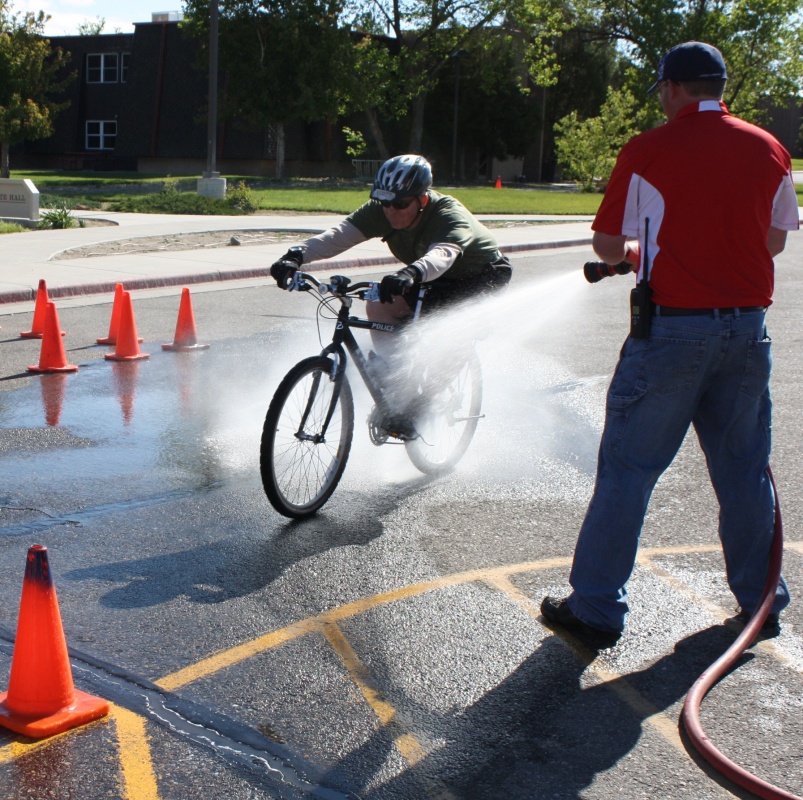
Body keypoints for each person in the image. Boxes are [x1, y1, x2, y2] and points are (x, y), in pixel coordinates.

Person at [540, 41, 799, 649]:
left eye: (661, 88)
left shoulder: (649, 149)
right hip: (746, 331)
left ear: (674, 88)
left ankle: (597, 607)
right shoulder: (769, 147)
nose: (660, 97)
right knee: (742, 473)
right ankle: (762, 603)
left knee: (628, 470)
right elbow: (775, 244)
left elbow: (607, 241)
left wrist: (638, 254)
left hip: (672, 334)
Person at [269, 154, 512, 345]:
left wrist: (409, 274)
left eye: (400, 204)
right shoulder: (382, 210)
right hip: (430, 276)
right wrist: (294, 256)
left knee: (448, 334)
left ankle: (434, 399)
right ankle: (393, 386)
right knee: (379, 304)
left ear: (422, 200)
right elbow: (339, 236)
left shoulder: (448, 215)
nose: (391, 210)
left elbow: (442, 255)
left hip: (481, 276)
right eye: (385, 203)